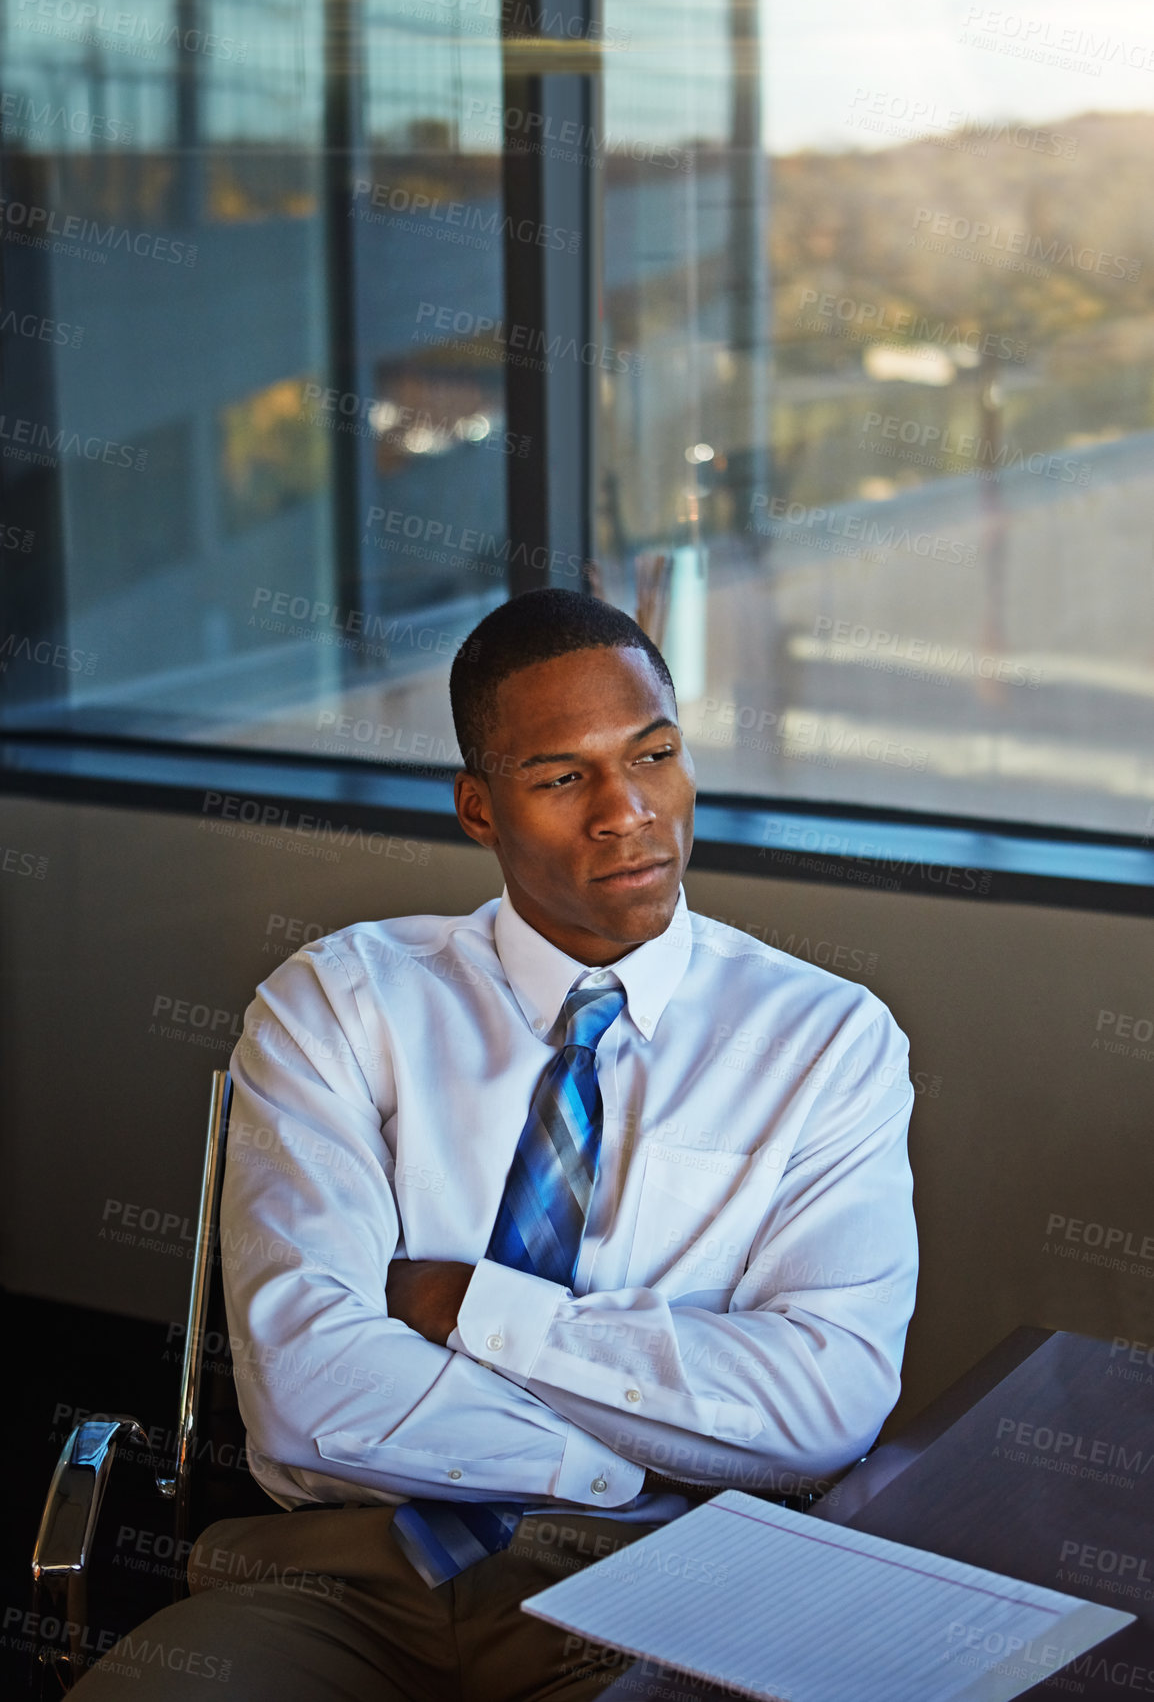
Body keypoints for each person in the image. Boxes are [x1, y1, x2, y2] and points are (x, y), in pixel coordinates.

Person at [73, 589, 917, 1699]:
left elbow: (822, 1403)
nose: (626, 810)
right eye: (563, 776)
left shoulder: (824, 1039)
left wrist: (469, 1307)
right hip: (342, 1576)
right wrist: (637, 1448)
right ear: (478, 809)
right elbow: (308, 1388)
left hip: (656, 1591)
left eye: (652, 754)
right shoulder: (340, 1001)